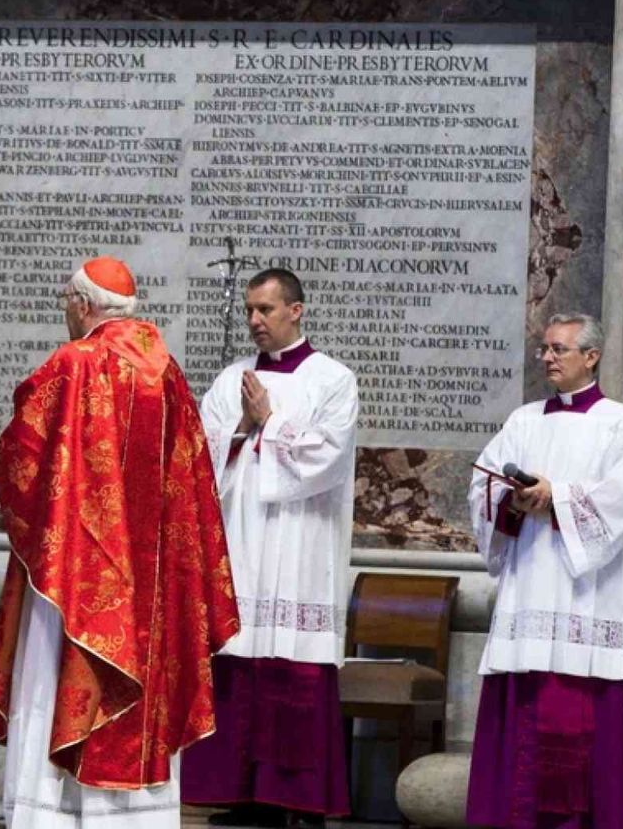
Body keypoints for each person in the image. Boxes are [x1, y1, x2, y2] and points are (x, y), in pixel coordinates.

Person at [0, 256, 240, 828]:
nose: (66, 316)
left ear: (83, 305)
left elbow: (20, 463)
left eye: (65, 305)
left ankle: (51, 816)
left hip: (75, 579)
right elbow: (194, 483)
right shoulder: (168, 373)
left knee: (56, 680)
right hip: (152, 586)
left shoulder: (73, 365)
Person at [178, 268, 358, 828]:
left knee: (292, 665)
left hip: (300, 542)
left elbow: (329, 456)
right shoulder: (231, 377)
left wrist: (269, 425)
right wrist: (237, 434)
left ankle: (295, 799)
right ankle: (238, 793)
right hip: (240, 536)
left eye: (266, 310)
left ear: (296, 310)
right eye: (251, 310)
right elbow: (198, 451)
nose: (254, 320)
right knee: (238, 661)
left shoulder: (333, 380)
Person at [465, 313, 623, 829]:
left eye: (559, 349)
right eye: (544, 348)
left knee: (572, 731)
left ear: (591, 356)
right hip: (528, 592)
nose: (546, 357)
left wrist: (556, 496)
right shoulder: (524, 420)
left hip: (583, 598)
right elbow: (482, 485)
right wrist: (513, 498)